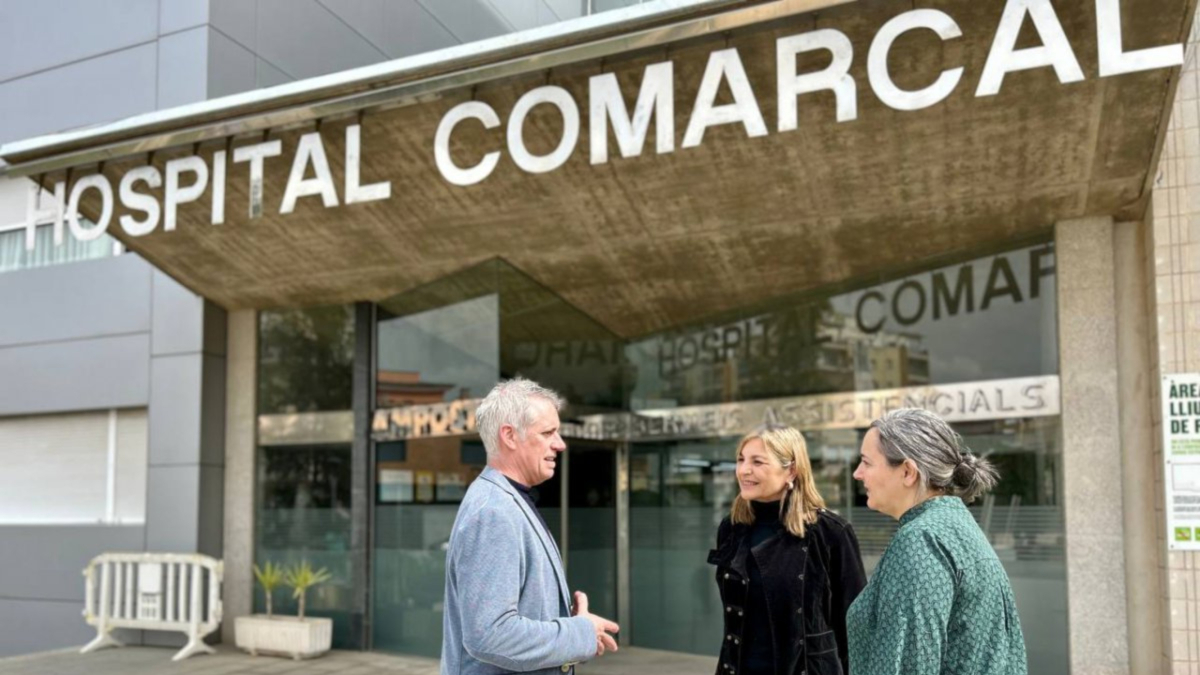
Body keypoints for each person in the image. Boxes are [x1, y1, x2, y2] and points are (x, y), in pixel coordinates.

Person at [441, 378, 619, 675]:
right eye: (548, 432)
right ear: (509, 436)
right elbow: (490, 635)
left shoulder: (507, 501)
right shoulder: (494, 512)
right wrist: (579, 633)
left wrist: (567, 623)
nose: (560, 444)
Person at [847, 408, 1027, 675]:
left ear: (908, 472)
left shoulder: (921, 541)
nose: (857, 474)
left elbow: (910, 664)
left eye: (867, 462)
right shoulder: (955, 526)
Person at [708, 424, 867, 675]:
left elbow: (856, 626)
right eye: (741, 460)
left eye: (758, 462)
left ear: (791, 470)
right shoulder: (732, 528)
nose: (744, 470)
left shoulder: (831, 532)